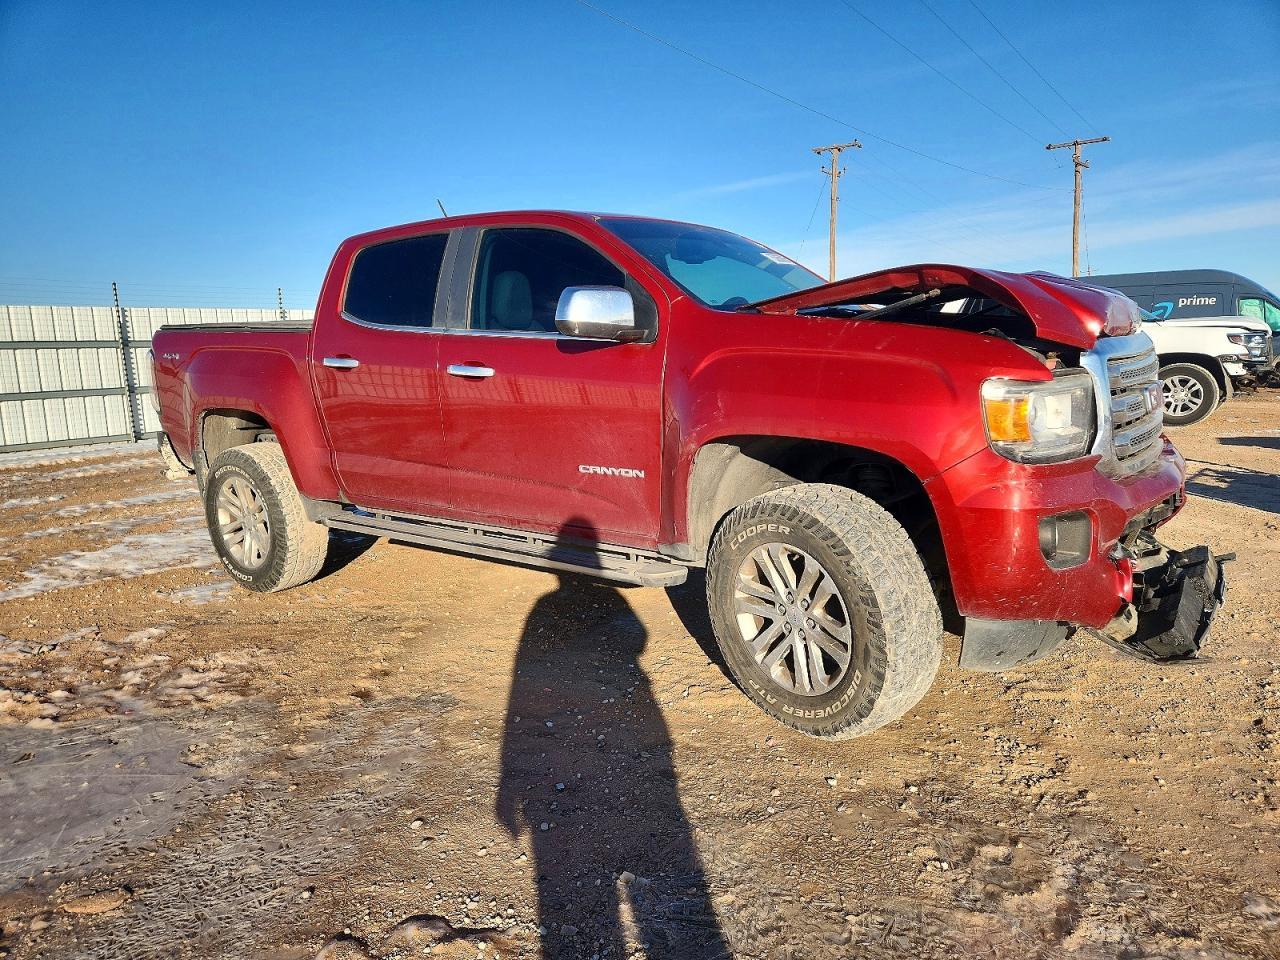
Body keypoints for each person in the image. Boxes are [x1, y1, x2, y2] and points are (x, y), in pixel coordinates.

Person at [496, 520, 728, 958]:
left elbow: (521, 692)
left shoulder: (547, 610)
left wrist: (509, 789)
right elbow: (636, 639)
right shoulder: (599, 603)